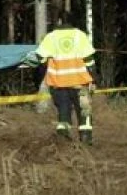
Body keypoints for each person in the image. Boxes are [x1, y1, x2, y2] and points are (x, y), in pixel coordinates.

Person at [30, 13, 97, 144]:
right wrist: (94, 79)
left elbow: (41, 60)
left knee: (63, 112)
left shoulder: (50, 37)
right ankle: (86, 138)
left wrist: (38, 80)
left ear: (59, 20)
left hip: (58, 83)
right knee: (84, 111)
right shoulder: (80, 36)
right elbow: (89, 61)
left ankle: (63, 139)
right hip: (80, 82)